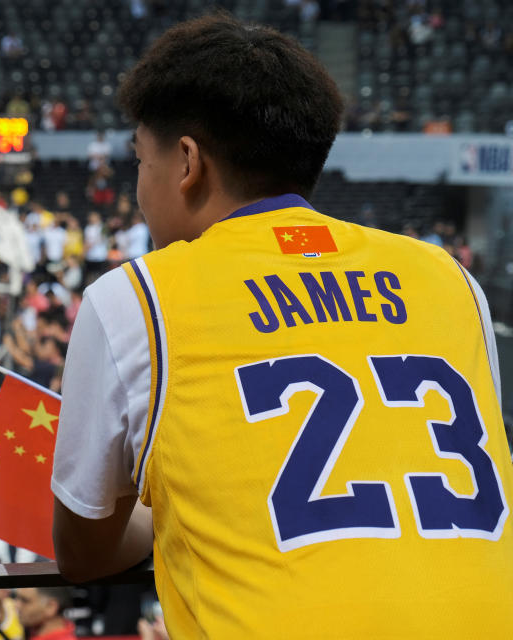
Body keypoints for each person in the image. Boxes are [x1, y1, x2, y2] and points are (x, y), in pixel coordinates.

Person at [51, 14, 513, 639]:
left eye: (140, 160)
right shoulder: (448, 277)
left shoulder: (138, 297)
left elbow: (83, 552)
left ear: (187, 161)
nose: (138, 187)